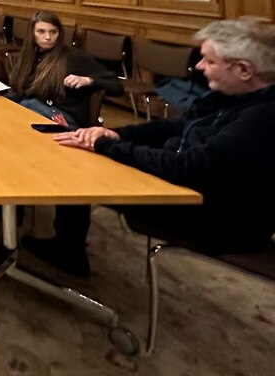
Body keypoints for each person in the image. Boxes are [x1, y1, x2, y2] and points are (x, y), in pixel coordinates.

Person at [34, 17, 275, 279]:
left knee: (81, 170)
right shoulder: (229, 95)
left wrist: (106, 145)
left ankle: (68, 252)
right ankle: (66, 245)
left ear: (244, 70)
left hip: (217, 219)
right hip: (186, 184)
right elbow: (174, 128)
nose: (199, 66)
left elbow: (190, 167)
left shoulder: (263, 117)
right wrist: (113, 134)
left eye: (210, 60)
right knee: (83, 156)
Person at [6, 11, 122, 129]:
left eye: (53, 32)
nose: (48, 37)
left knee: (27, 104)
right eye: (41, 32)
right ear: (32, 33)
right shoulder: (30, 56)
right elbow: (21, 92)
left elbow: (117, 86)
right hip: (38, 110)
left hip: (67, 119)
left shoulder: (73, 57)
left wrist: (88, 80)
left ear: (59, 34)